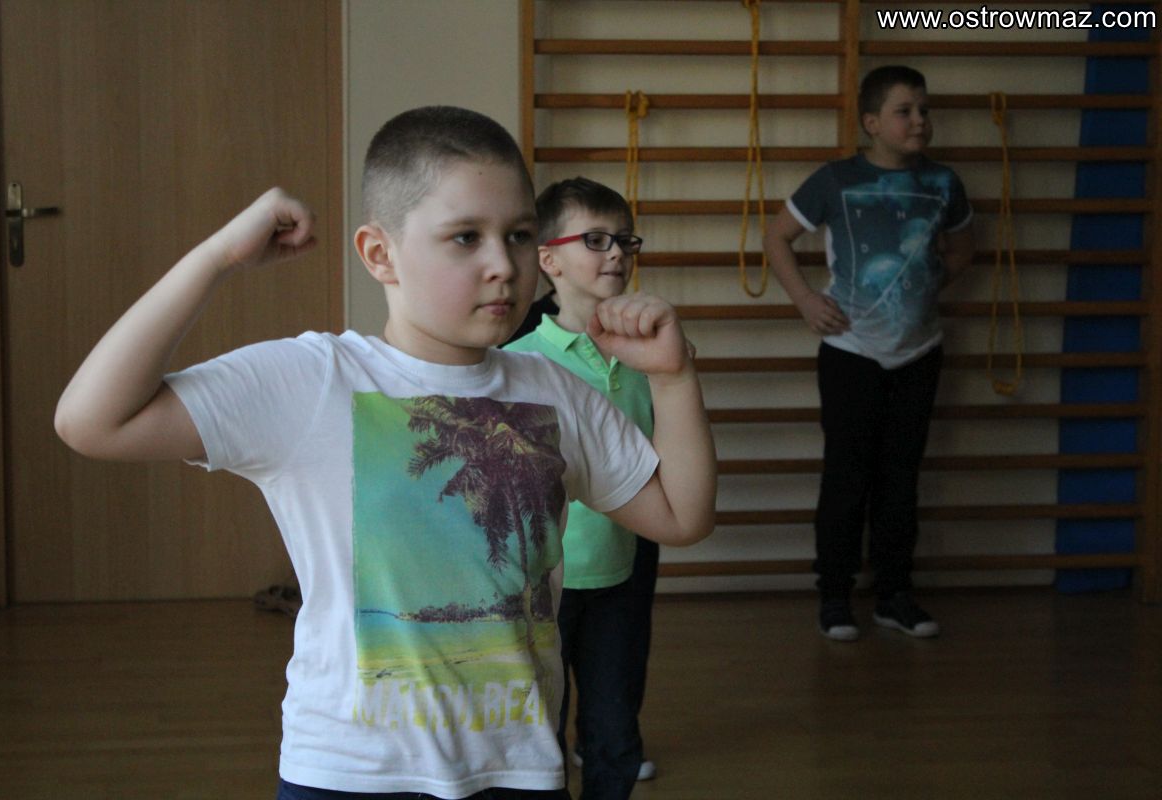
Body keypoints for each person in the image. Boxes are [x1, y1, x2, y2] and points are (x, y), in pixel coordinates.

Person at [53, 105, 716, 799]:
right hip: (348, 773)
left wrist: (673, 380)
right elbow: (91, 421)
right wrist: (218, 257)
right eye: (465, 237)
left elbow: (681, 515)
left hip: (518, 769)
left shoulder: (555, 393)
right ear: (379, 254)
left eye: (519, 235)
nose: (503, 265)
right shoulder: (315, 380)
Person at [764, 66, 974, 642]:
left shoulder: (944, 182)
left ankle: (894, 595)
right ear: (872, 122)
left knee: (901, 478)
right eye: (905, 111)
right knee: (846, 476)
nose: (919, 121)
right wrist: (807, 300)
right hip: (851, 352)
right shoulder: (835, 179)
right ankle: (834, 596)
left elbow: (961, 250)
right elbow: (776, 237)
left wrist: (921, 290)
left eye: (924, 110)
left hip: (919, 352)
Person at [504, 177, 658, 799]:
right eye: (595, 240)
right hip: (542, 581)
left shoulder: (648, 356)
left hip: (625, 568)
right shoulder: (519, 363)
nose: (616, 252)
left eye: (624, 239)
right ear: (549, 259)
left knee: (614, 726)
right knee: (538, 727)